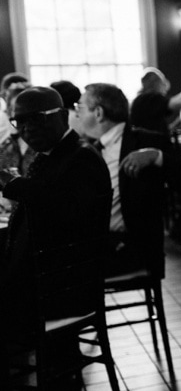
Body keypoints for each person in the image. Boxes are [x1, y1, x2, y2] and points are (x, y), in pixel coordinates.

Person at [0, 87, 111, 326]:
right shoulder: (55, 154)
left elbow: (66, 212)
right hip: (48, 278)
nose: (27, 129)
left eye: (37, 119)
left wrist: (16, 185)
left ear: (62, 116)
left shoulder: (81, 157)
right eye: (19, 121)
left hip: (62, 288)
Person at [71, 83, 175, 276]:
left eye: (80, 108)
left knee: (53, 272)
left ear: (99, 113)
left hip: (130, 249)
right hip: (97, 244)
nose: (76, 114)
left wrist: (156, 156)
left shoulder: (147, 141)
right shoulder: (86, 150)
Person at [130, 68, 181, 134]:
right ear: (157, 84)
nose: (165, 91)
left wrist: (180, 120)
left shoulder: (139, 101)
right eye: (162, 84)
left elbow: (159, 132)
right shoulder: (150, 99)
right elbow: (180, 102)